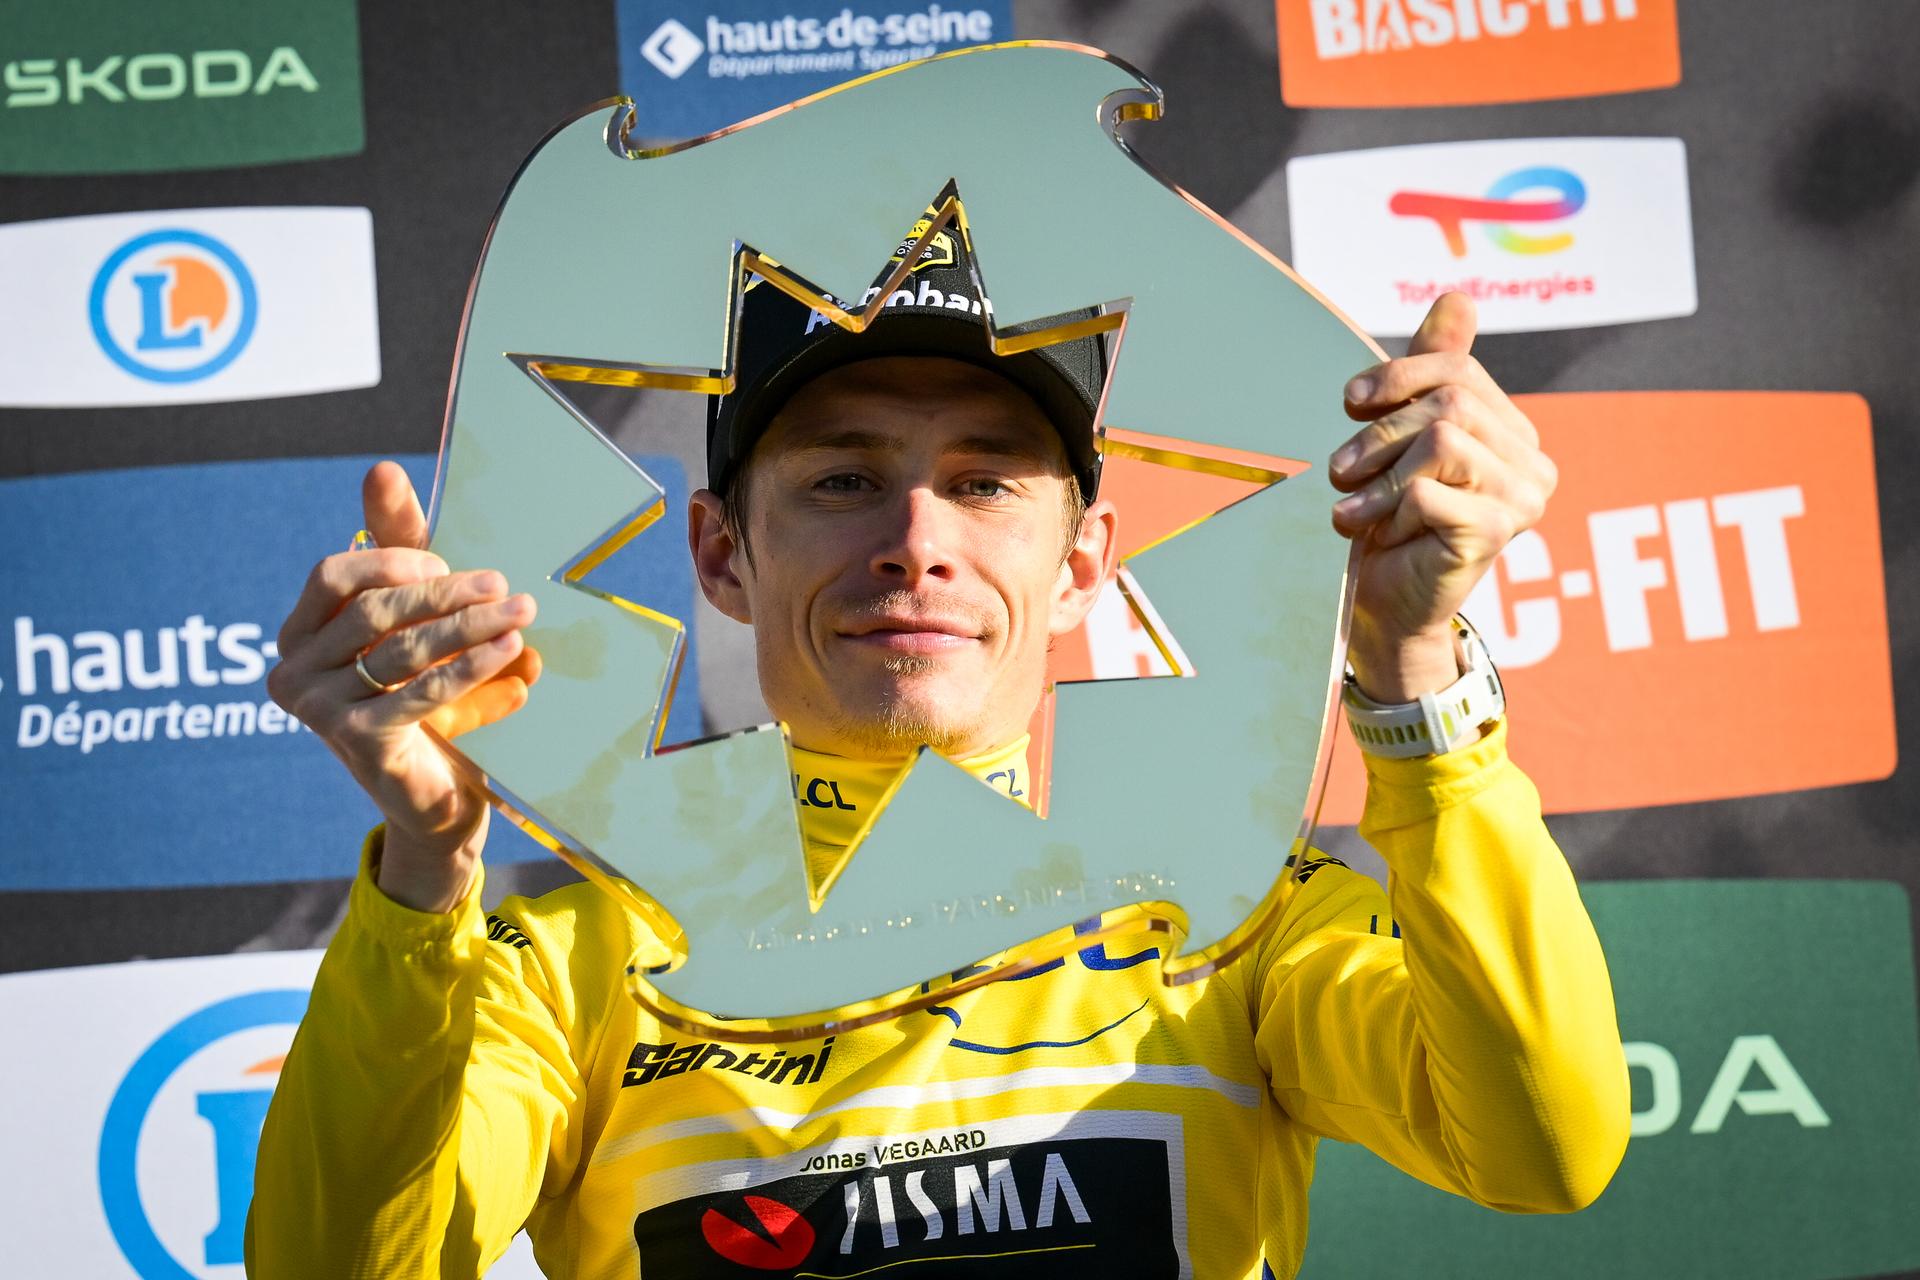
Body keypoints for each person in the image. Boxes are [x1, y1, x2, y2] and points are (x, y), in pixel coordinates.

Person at [247, 227, 1628, 1278]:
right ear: (723, 552)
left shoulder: (1229, 910)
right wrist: (429, 873)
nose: (916, 537)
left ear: (1085, 560)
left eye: (982, 483)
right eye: (844, 479)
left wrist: (1410, 677)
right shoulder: (577, 968)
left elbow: (1538, 1147)